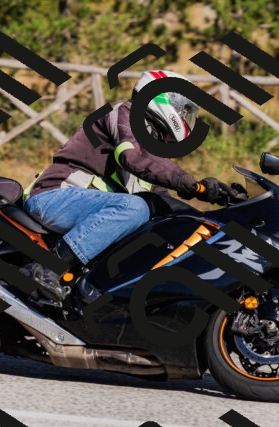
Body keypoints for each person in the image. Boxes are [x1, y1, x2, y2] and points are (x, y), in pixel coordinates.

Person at [21, 70, 238, 303]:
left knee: (158, 226)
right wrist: (189, 183)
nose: (186, 117)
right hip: (54, 197)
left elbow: (164, 204)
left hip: (84, 210)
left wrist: (213, 217)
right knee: (136, 208)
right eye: (184, 110)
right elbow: (131, 156)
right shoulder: (125, 113)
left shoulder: (152, 155)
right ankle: (46, 267)